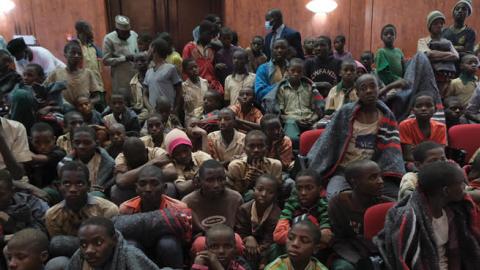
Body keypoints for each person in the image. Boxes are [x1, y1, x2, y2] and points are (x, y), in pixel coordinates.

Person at [307, 74, 405, 199]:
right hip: (345, 172)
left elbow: (390, 151)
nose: (369, 91)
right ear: (357, 93)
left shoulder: (387, 116)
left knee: (398, 197)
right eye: (363, 88)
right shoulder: (346, 112)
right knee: (334, 198)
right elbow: (328, 142)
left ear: (378, 89)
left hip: (373, 173)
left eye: (372, 86)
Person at [375, 161, 480, 270]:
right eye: (461, 183)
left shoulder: (456, 211)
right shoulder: (410, 219)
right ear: (446, 191)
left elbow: (465, 250)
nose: (465, 186)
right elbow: (404, 262)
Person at [328, 160, 394, 270]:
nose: (381, 181)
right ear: (354, 182)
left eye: (380, 176)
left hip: (382, 253)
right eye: (373, 178)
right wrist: (359, 260)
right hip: (351, 254)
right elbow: (339, 240)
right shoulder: (338, 203)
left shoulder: (387, 206)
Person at [119, 165, 188, 268]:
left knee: (168, 244)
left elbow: (185, 241)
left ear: (164, 188)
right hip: (140, 252)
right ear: (136, 188)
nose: (148, 189)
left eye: (154, 184)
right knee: (129, 245)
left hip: (168, 252)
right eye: (142, 184)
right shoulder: (126, 208)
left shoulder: (178, 208)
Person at [182, 160, 244, 251]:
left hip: (229, 241)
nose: (216, 185)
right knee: (200, 244)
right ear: (199, 181)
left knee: (237, 242)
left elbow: (241, 229)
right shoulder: (188, 202)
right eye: (210, 180)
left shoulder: (235, 198)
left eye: (221, 179)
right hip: (204, 243)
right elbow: (187, 236)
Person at [45, 161, 118, 237]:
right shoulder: (53, 215)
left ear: (88, 185)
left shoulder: (107, 210)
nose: (72, 189)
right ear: (59, 186)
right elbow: (58, 243)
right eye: (67, 183)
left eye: (79, 184)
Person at [67, 217, 160, 270]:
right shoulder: (79, 258)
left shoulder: (130, 256)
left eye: (98, 243)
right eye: (84, 245)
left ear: (114, 240)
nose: (89, 250)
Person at [273, 170, 332, 249]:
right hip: (293, 246)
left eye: (309, 188)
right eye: (299, 188)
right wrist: (305, 238)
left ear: (320, 190)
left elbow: (326, 236)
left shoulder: (324, 206)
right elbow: (278, 235)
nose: (303, 192)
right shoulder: (291, 203)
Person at [236, 175, 281, 269]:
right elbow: (240, 231)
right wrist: (248, 238)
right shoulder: (244, 209)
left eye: (270, 192)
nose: (264, 194)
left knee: (275, 248)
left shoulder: (276, 214)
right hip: (247, 245)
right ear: (254, 189)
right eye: (260, 189)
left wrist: (261, 257)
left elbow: (269, 239)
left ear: (275, 195)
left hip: (265, 250)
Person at [112, 137, 171, 204]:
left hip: (154, 188)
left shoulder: (157, 152)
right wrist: (151, 163)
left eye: (138, 159)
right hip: (135, 189)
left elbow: (172, 172)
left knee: (170, 187)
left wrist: (131, 177)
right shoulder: (121, 157)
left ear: (146, 152)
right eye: (132, 160)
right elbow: (121, 182)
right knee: (115, 191)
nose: (135, 162)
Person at [44, 40, 103, 107]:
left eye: (79, 53)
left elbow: (97, 97)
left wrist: (86, 103)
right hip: (63, 112)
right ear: (65, 54)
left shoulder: (88, 73)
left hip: (84, 111)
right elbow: (44, 91)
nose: (76, 56)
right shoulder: (56, 73)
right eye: (73, 53)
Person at [61, 126, 115, 194]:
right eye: (77, 143)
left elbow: (108, 185)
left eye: (87, 143)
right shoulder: (65, 163)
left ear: (97, 144)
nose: (81, 146)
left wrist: (103, 188)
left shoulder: (108, 163)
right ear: (72, 144)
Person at [227, 130, 282, 196]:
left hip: (268, 199)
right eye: (251, 146)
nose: (256, 150)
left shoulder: (275, 165)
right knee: (250, 194)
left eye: (261, 146)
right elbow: (233, 194)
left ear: (266, 148)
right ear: (244, 149)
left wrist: (264, 179)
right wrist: (246, 182)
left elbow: (278, 191)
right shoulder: (236, 166)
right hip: (242, 200)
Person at [276, 58, 318, 144]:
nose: (296, 74)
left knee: (319, 137)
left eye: (299, 72)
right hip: (292, 120)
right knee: (292, 139)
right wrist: (296, 119)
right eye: (293, 71)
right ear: (287, 71)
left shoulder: (309, 88)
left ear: (303, 73)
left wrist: (312, 120)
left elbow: (316, 110)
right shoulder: (282, 89)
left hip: (309, 120)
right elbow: (281, 114)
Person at [399, 92, 447, 162]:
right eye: (418, 106)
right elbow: (408, 156)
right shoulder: (405, 125)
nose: (423, 108)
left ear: (435, 109)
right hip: (414, 163)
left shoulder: (440, 127)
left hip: (435, 162)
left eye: (428, 106)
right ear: (412, 110)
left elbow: (440, 155)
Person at [25, 122, 66, 203]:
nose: (43, 146)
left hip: (55, 192)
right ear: (31, 140)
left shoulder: (59, 153)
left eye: (47, 142)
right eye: (37, 142)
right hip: (33, 189)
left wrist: (20, 147)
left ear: (54, 140)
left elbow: (36, 158)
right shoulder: (30, 150)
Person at [0, 169, 49, 237]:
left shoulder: (31, 203)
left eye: (1, 194)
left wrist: (11, 224)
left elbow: (40, 234)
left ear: (12, 191)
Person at [183, 20, 224, 94]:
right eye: (209, 34)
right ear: (201, 32)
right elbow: (185, 71)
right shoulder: (189, 48)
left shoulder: (212, 47)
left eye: (212, 34)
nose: (211, 36)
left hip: (212, 86)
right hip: (196, 87)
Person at [144, 38, 183, 114]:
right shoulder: (149, 71)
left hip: (168, 112)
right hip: (154, 114)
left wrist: (175, 109)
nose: (147, 52)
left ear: (154, 50)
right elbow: (145, 94)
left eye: (149, 49)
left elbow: (179, 91)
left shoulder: (170, 68)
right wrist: (150, 109)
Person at [0, 49, 37, 131]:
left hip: (11, 115)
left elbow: (26, 96)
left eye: (8, 61)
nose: (7, 64)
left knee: (20, 95)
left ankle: (12, 131)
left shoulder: (15, 78)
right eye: (4, 61)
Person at [103, 15, 139, 95]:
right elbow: (105, 61)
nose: (128, 34)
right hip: (119, 78)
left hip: (134, 75)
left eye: (129, 31)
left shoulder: (133, 35)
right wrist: (124, 58)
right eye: (125, 33)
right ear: (117, 30)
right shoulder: (109, 38)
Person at [255, 39, 289, 103]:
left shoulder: (293, 68)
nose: (279, 50)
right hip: (271, 108)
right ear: (271, 50)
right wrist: (280, 83)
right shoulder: (263, 68)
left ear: (287, 50)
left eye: (283, 48)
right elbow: (259, 94)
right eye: (276, 48)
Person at [75, 20, 104, 89]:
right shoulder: (75, 47)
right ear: (79, 33)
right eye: (83, 33)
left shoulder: (94, 48)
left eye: (87, 32)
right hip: (83, 84)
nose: (85, 35)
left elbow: (101, 61)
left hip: (97, 83)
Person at [129, 52, 149, 123]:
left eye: (143, 61)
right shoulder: (133, 82)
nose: (139, 63)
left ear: (148, 62)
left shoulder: (152, 78)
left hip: (151, 109)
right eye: (136, 61)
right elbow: (134, 102)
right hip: (139, 109)